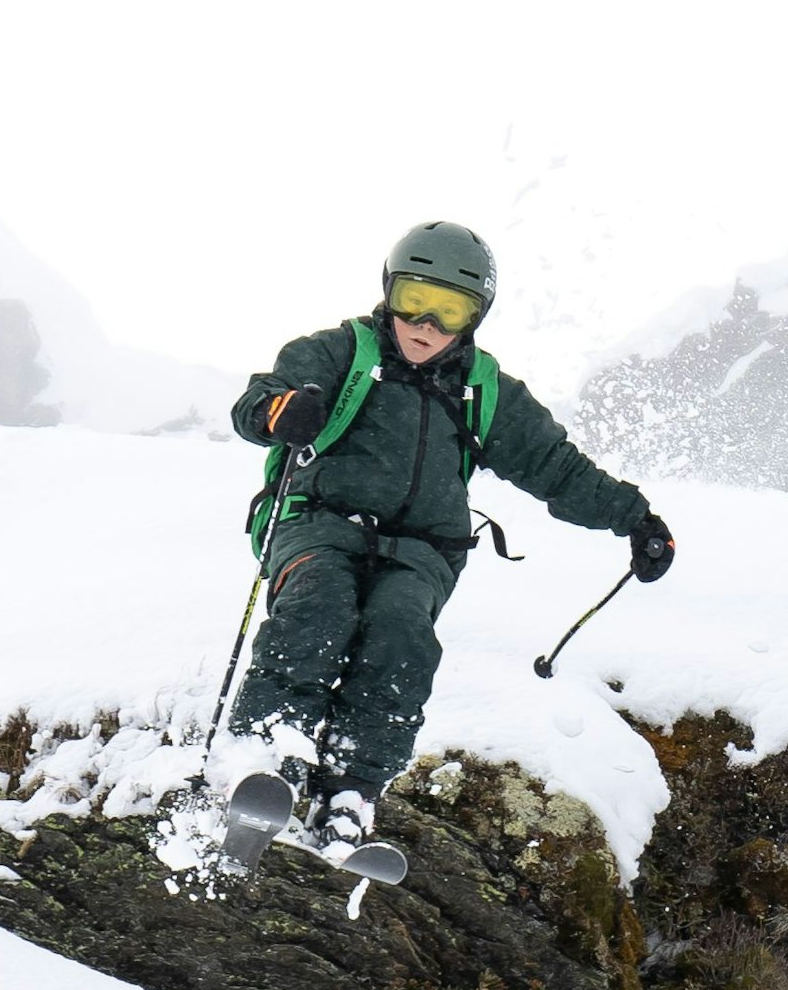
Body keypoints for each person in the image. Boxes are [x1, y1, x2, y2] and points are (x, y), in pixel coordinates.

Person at [227, 221, 674, 842]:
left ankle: (351, 791)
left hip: (424, 548)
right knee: (318, 607)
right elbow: (261, 399)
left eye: (450, 310)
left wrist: (636, 519)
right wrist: (279, 410)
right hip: (318, 522)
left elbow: (555, 468)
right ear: (389, 291)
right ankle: (266, 761)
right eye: (414, 299)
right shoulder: (336, 353)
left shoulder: (485, 391)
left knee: (402, 636)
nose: (426, 325)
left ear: (475, 317)